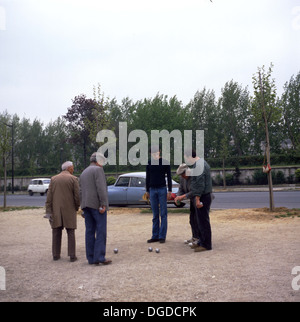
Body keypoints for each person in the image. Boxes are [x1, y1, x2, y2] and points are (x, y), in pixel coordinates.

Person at [175, 149, 213, 252]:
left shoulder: (199, 166)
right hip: (203, 195)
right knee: (200, 221)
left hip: (203, 196)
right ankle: (201, 241)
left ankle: (206, 245)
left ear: (189, 157)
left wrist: (197, 199)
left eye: (186, 158)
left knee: (203, 221)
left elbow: (199, 185)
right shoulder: (200, 164)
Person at [79, 152, 111, 265]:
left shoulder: (84, 172)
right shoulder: (98, 170)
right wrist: (103, 204)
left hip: (86, 205)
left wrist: (82, 206)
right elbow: (101, 189)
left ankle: (91, 258)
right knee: (101, 231)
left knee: (89, 232)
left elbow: (80, 191)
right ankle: (100, 257)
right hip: (97, 205)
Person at [45, 161, 80, 262]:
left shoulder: (53, 179)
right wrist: (77, 206)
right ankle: (72, 255)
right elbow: (77, 196)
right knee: (71, 232)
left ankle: (56, 254)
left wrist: (49, 210)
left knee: (56, 232)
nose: (73, 169)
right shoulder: (73, 179)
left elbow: (49, 196)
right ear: (69, 168)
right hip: (69, 209)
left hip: (56, 210)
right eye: (72, 167)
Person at [146, 146, 172, 244]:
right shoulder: (149, 163)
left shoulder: (165, 162)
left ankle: (162, 236)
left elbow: (169, 176)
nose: (154, 154)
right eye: (152, 153)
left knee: (163, 214)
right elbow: (147, 177)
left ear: (159, 151)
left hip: (162, 189)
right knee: (155, 214)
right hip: (152, 190)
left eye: (156, 152)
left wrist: (169, 190)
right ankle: (155, 235)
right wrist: (147, 190)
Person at [176, 163, 200, 245]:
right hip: (192, 200)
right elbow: (181, 188)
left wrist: (183, 196)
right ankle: (195, 237)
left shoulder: (194, 177)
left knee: (198, 219)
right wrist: (177, 196)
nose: (182, 176)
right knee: (192, 219)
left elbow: (194, 191)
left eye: (182, 174)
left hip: (199, 199)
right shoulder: (182, 178)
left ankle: (200, 239)